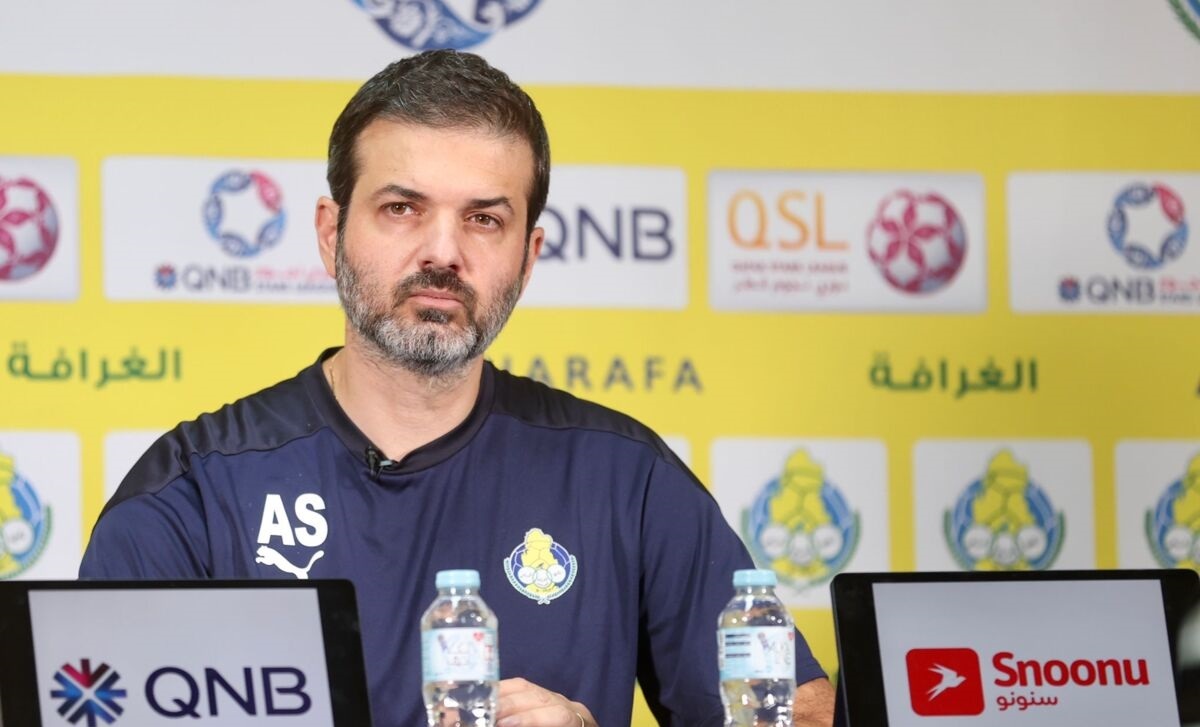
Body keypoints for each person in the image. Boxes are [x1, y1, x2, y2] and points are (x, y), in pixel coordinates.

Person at [80, 50, 835, 727]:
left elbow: (799, 711)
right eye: (402, 208)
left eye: (483, 219)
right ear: (330, 233)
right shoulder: (193, 493)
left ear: (528, 258)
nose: (442, 252)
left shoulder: (623, 476)